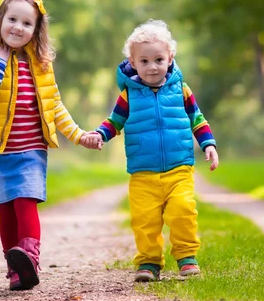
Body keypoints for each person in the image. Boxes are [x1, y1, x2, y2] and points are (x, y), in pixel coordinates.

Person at [0, 0, 94, 291]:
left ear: (36, 31)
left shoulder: (41, 66)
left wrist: (78, 136)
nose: (18, 27)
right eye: (12, 19)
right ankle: (16, 270)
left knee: (25, 203)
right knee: (6, 212)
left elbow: (55, 107)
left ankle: (30, 258)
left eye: (27, 23)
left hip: (31, 152)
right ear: (0, 21)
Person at [82, 19, 219, 282]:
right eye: (144, 61)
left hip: (179, 168)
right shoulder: (129, 95)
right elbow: (114, 121)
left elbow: (197, 119)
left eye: (158, 59)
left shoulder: (181, 90)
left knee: (183, 210)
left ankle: (187, 257)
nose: (152, 66)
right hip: (143, 173)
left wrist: (208, 144)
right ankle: (149, 262)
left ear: (170, 58)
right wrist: (99, 134)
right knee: (145, 220)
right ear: (133, 63)